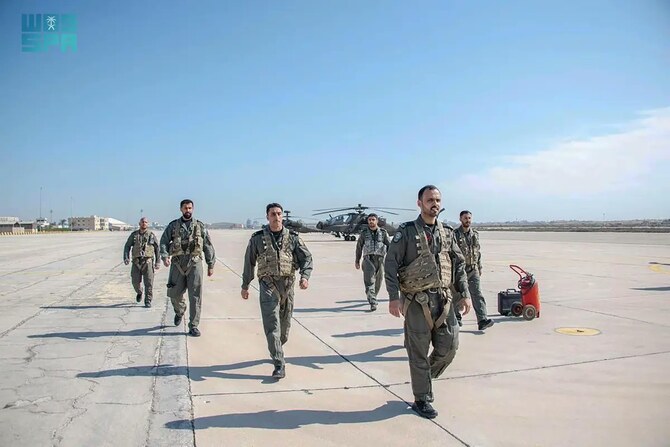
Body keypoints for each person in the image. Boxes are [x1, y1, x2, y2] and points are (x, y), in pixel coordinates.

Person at [385, 185, 472, 419]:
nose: (434, 204)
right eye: (430, 200)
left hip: (444, 299)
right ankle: (422, 398)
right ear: (419, 203)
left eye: (437, 200)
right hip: (416, 301)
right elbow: (390, 264)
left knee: (450, 347)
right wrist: (393, 297)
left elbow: (458, 265)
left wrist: (464, 293)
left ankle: (423, 379)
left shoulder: (448, 233)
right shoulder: (406, 232)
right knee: (418, 353)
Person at [241, 203, 313, 379]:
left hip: (288, 285)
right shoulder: (257, 239)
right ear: (267, 217)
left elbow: (307, 258)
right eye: (273, 214)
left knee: (284, 328)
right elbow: (249, 262)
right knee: (272, 324)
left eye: (279, 214)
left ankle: (277, 347)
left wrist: (305, 277)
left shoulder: (293, 238)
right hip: (268, 286)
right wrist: (245, 285)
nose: (277, 217)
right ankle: (279, 363)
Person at [160, 199, 215, 337]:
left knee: (195, 296)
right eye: (185, 208)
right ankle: (180, 311)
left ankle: (193, 326)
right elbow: (164, 241)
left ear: (193, 209)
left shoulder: (200, 226)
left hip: (195, 263)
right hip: (177, 264)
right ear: (181, 209)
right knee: (174, 293)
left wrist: (210, 264)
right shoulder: (173, 226)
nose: (188, 210)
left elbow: (207, 245)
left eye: (190, 208)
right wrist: (165, 256)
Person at [453, 210, 494, 331]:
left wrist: (479, 266)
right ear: (460, 219)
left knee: (477, 294)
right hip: (460, 270)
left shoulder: (475, 234)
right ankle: (457, 318)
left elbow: (477, 252)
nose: (468, 220)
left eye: (469, 218)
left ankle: (482, 320)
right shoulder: (455, 234)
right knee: (458, 295)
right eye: (465, 218)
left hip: (473, 268)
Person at [355, 213, 391, 311]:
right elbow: (359, 247)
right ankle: (373, 302)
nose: (371, 221)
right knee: (369, 282)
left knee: (378, 281)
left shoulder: (383, 233)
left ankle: (373, 296)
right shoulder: (364, 233)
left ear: (377, 221)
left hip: (380, 260)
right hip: (368, 260)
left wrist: (392, 260)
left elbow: (390, 246)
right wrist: (357, 260)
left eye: (373, 219)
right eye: (369, 220)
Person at [123, 217, 160, 307]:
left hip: (148, 262)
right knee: (135, 282)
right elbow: (127, 246)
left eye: (146, 222)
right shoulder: (134, 235)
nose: (144, 223)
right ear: (139, 223)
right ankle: (139, 292)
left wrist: (157, 262)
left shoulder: (151, 235)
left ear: (148, 224)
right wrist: (126, 257)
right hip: (136, 262)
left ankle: (148, 300)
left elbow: (157, 248)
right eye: (142, 222)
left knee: (149, 283)